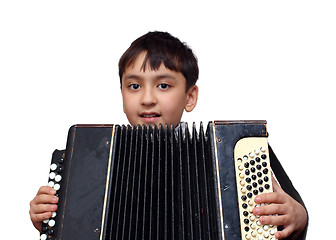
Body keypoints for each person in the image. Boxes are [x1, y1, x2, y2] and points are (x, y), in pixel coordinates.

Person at [29, 31, 308, 239]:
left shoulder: (238, 152)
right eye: (134, 86)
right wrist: (50, 218)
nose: (147, 98)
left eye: (163, 85)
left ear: (190, 96)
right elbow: (68, 227)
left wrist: (298, 218)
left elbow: (290, 213)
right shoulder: (92, 157)